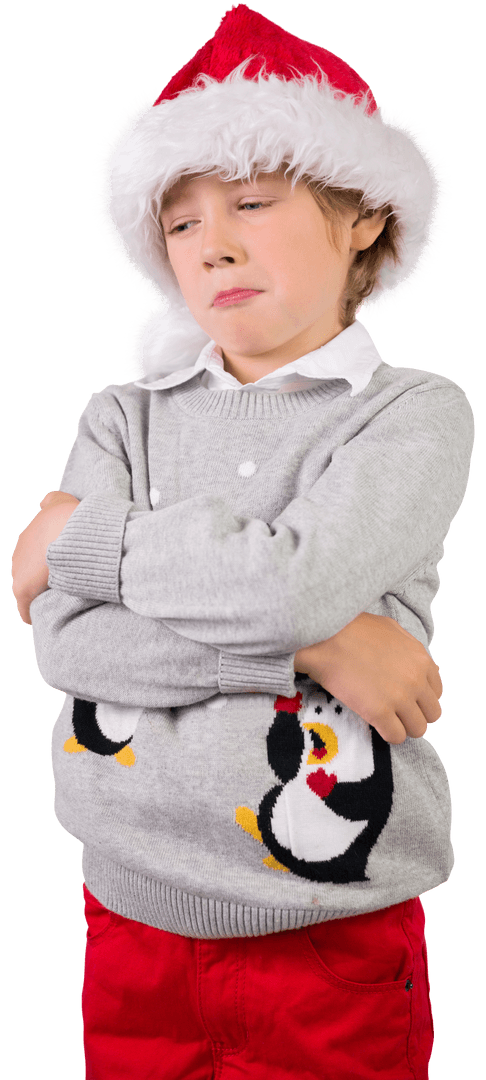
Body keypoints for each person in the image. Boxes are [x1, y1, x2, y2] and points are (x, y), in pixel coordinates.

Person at [10, 5, 475, 1078]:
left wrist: (82, 534)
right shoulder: (121, 415)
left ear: (361, 215)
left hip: (326, 929)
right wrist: (314, 650)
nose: (212, 241)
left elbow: (287, 584)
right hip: (127, 913)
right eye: (180, 224)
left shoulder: (411, 413)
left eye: (255, 203)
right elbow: (69, 647)